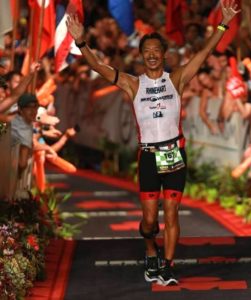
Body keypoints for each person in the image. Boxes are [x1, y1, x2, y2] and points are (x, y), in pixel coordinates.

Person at [67, 1, 240, 286]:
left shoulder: (178, 78)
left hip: (174, 153)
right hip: (148, 157)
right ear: (141, 57)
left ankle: (167, 266)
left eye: (155, 52)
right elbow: (98, 66)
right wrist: (81, 41)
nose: (151, 56)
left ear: (163, 54)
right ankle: (151, 249)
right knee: (149, 222)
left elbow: (204, 52)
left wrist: (223, 23)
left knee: (171, 212)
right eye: (146, 52)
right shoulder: (133, 84)